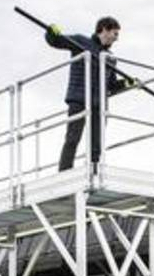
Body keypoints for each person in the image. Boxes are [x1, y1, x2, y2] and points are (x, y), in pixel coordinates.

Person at [43, 16, 137, 171]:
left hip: (98, 103)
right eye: (115, 34)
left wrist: (127, 83)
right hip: (79, 99)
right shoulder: (81, 41)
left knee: (96, 143)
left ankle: (94, 171)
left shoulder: (110, 58)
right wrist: (51, 31)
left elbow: (111, 85)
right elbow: (56, 41)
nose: (116, 38)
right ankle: (65, 172)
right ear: (104, 30)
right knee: (73, 138)